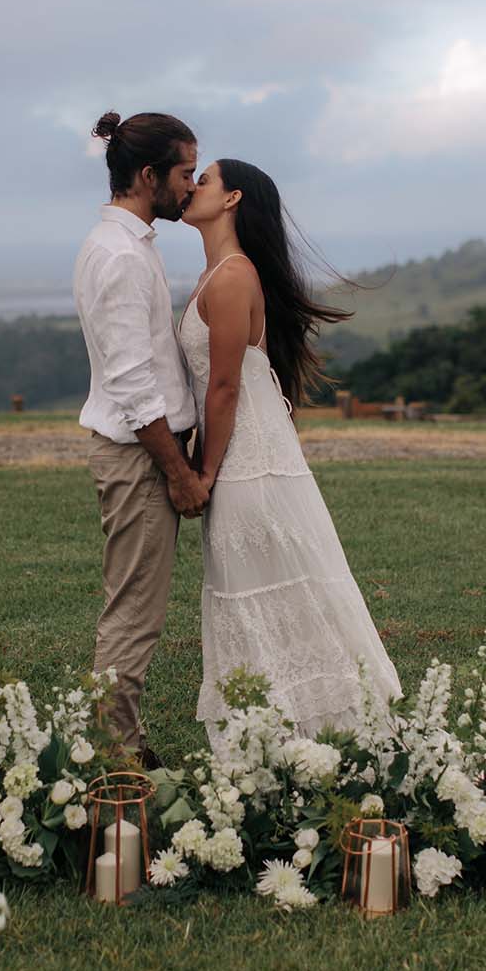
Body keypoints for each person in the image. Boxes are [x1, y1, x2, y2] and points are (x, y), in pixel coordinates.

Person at [178, 158, 401, 744]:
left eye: (204, 180)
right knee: (263, 594)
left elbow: (224, 388)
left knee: (271, 593)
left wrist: (202, 471)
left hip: (250, 465)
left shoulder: (230, 277)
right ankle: (281, 738)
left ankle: (308, 738)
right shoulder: (217, 273)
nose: (191, 187)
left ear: (231, 200)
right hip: (249, 456)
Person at [73, 111, 209, 765]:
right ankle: (112, 755)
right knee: (134, 610)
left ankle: (119, 742)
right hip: (138, 457)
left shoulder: (128, 244)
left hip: (142, 449)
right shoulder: (121, 255)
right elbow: (130, 381)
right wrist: (177, 472)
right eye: (184, 172)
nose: (192, 185)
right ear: (149, 175)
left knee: (136, 605)